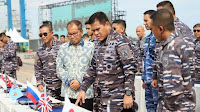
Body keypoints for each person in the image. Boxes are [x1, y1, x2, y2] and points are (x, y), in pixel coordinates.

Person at [75, 11, 137, 112]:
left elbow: (130, 69)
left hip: (118, 101)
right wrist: (83, 88)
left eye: (98, 29)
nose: (95, 33)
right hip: (101, 100)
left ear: (107, 25)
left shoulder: (121, 41)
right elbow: (93, 68)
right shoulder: (97, 44)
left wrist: (128, 93)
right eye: (93, 30)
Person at [151, 9, 196, 111]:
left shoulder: (170, 48)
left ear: (161, 29)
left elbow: (172, 88)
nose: (153, 33)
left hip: (175, 107)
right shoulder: (178, 42)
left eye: (153, 29)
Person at [56, 20, 94, 111]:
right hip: (67, 93)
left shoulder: (91, 47)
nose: (72, 37)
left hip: (85, 94)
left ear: (81, 32)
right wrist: (69, 81)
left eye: (75, 33)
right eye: (69, 34)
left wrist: (80, 82)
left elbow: (93, 69)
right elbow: (59, 68)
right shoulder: (62, 48)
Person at [34, 24, 62, 99]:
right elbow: (37, 69)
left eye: (45, 34)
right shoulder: (40, 51)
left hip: (62, 88)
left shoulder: (62, 46)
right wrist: (39, 84)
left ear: (52, 33)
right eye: (41, 35)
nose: (43, 36)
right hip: (48, 89)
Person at [142, 10, 158, 112]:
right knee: (150, 107)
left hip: (155, 81)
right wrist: (144, 78)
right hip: (147, 79)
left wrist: (155, 77)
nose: (144, 23)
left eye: (146, 20)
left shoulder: (159, 38)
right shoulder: (147, 38)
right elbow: (146, 58)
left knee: (158, 106)